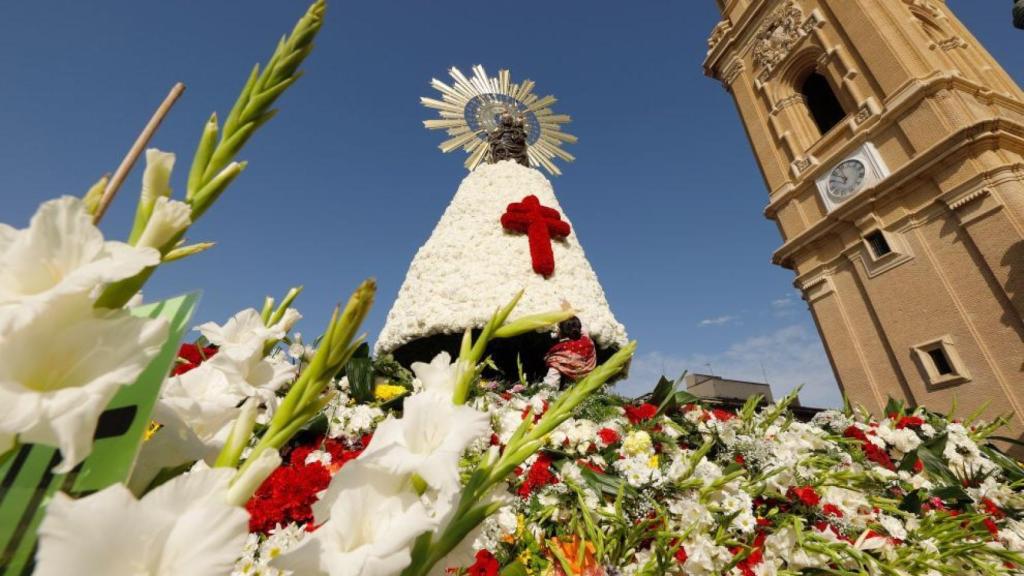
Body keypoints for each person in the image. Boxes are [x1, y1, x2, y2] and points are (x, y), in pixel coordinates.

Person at [541, 316, 596, 389]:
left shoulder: (561, 352)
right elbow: (583, 329)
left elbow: (552, 380)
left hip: (568, 394)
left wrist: (544, 394)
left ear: (561, 332)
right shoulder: (587, 342)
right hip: (585, 387)